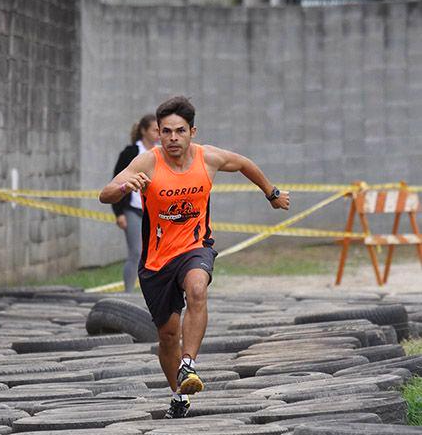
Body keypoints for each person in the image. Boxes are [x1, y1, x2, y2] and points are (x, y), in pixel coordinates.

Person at [99, 96, 290, 418]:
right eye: (166, 132)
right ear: (157, 134)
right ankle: (178, 394)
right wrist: (123, 187)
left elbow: (244, 163)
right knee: (167, 335)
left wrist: (271, 194)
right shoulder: (147, 162)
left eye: (180, 131)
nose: (173, 138)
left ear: (192, 132)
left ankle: (189, 365)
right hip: (157, 261)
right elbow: (105, 194)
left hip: (194, 247)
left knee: (197, 289)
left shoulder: (209, 158)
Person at [111, 114, 159, 292]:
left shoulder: (161, 153)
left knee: (155, 253)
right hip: (133, 209)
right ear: (143, 131)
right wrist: (119, 213)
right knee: (136, 252)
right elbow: (115, 182)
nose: (158, 134)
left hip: (155, 212)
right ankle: (128, 292)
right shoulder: (130, 153)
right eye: (155, 130)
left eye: (160, 130)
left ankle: (156, 291)